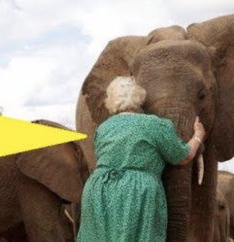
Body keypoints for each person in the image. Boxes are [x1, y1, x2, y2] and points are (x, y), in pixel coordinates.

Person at [76, 76, 206, 242]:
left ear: (111, 101)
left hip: (98, 189)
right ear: (139, 97)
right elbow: (183, 157)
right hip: (137, 191)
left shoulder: (103, 128)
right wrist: (198, 137)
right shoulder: (155, 125)